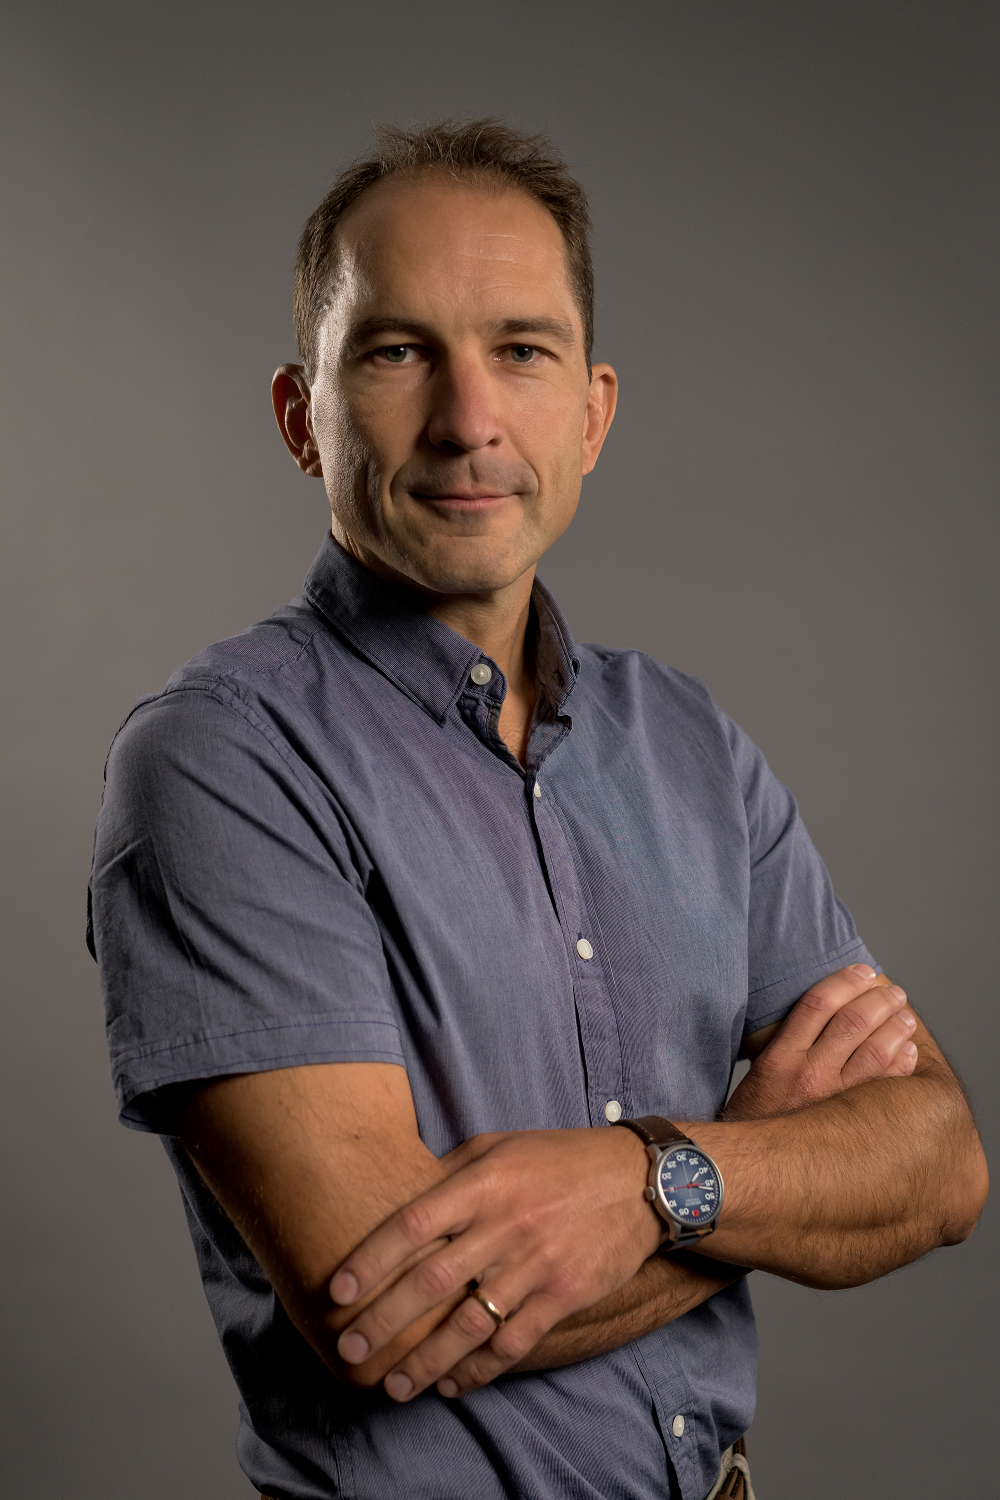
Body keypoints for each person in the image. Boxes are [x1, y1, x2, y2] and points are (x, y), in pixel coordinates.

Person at [88, 120, 987, 1500]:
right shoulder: (221, 761)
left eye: (521, 350)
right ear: (300, 416)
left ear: (593, 413)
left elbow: (937, 1162)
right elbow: (386, 1310)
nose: (469, 421)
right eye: (398, 353)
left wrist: (649, 1182)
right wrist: (755, 1167)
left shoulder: (688, 742)